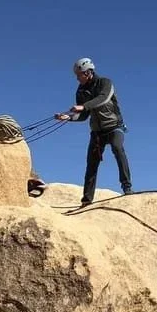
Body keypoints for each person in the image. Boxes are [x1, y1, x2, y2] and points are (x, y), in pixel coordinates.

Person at [56, 57, 132, 206]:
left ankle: (127, 187)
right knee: (92, 163)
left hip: (114, 126)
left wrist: (84, 106)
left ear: (89, 72)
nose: (78, 78)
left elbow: (103, 98)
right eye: (77, 76)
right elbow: (83, 116)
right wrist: (68, 118)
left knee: (117, 148)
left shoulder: (105, 83)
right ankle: (87, 199)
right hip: (97, 132)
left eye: (80, 75)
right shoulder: (81, 91)